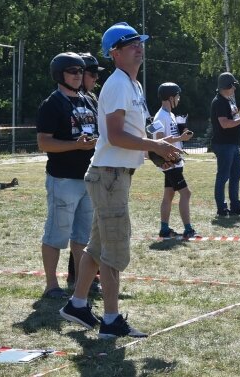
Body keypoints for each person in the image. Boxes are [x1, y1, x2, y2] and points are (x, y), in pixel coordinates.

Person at [60, 22, 182, 339]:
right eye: (130, 44)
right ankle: (111, 321)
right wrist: (154, 146)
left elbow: (137, 132)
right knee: (114, 249)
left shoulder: (135, 86)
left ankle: (77, 304)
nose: (138, 47)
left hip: (114, 175)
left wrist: (161, 145)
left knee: (98, 247)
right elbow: (114, 135)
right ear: (115, 53)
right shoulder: (116, 84)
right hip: (109, 175)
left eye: (139, 42)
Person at [37, 53, 98, 299]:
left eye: (80, 71)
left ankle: (81, 282)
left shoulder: (89, 100)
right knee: (57, 233)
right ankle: (52, 285)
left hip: (89, 178)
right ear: (59, 74)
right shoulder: (52, 103)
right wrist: (76, 145)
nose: (77, 75)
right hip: (63, 179)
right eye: (72, 70)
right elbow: (44, 143)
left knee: (83, 236)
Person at [66, 52, 104, 287]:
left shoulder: (91, 99)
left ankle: (87, 273)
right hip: (73, 174)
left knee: (90, 227)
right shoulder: (72, 99)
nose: (94, 80)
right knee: (82, 230)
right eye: (92, 75)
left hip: (95, 168)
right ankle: (78, 276)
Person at [150, 82, 197, 239]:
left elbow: (170, 136)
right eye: (177, 96)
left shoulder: (170, 115)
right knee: (186, 193)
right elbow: (158, 140)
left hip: (175, 160)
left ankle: (164, 229)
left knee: (169, 195)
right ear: (170, 98)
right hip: (169, 162)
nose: (179, 99)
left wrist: (182, 135)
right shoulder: (159, 116)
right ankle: (188, 229)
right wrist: (180, 138)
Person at [210, 71, 240, 217]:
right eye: (232, 86)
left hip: (233, 144)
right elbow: (225, 124)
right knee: (223, 176)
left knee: (236, 174)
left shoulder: (229, 100)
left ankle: (235, 206)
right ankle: (221, 208)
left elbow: (234, 122)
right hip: (224, 145)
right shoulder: (219, 102)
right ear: (226, 86)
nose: (234, 89)